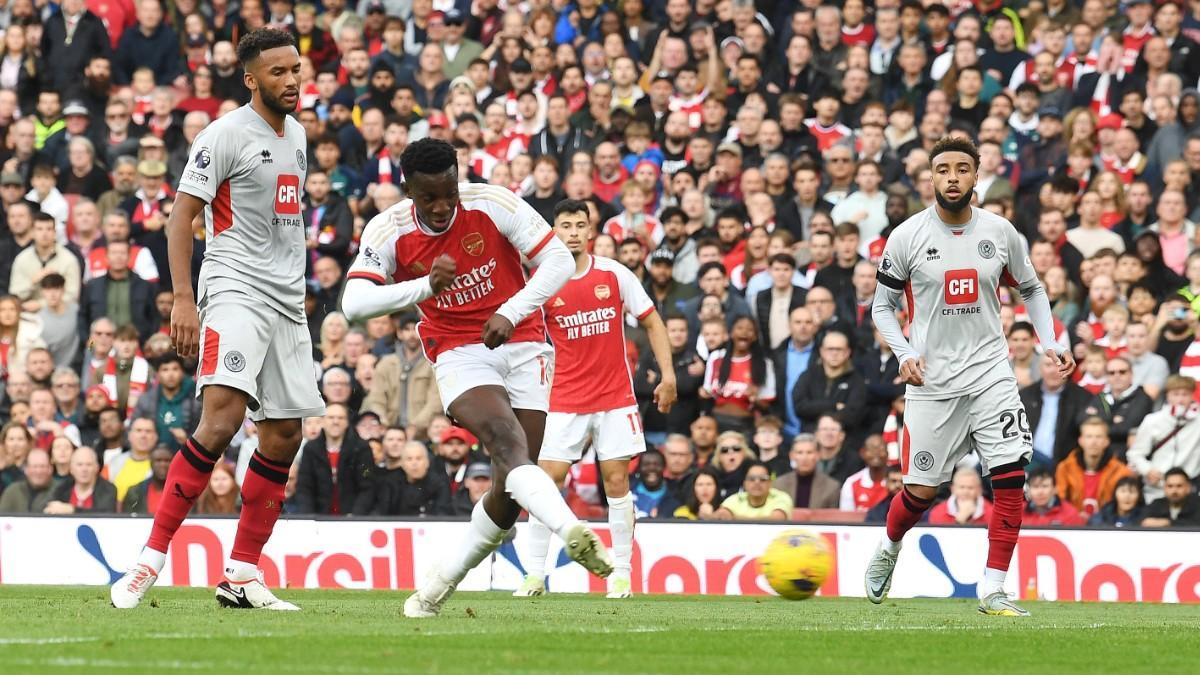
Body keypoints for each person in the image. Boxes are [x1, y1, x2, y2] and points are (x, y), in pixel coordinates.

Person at [340, 137, 612, 619]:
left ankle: (436, 587)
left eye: (451, 193)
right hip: (458, 352)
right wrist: (425, 286)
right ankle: (572, 530)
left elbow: (559, 260)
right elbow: (354, 304)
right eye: (430, 198)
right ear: (409, 191)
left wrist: (512, 309)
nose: (443, 206)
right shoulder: (389, 230)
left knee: (507, 496)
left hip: (525, 340)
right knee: (507, 443)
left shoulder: (493, 202)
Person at [111, 30, 326, 612]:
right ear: (251, 78)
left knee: (285, 433)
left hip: (286, 298)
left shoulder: (300, 135)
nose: (291, 81)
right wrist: (184, 297)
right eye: (277, 72)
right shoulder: (224, 133)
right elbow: (180, 218)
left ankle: (241, 575)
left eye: (296, 70)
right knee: (223, 416)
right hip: (233, 285)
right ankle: (148, 561)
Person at [866, 137, 1075, 617]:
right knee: (919, 493)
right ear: (932, 178)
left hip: (991, 374)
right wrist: (903, 351)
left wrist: (1050, 342)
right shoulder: (906, 237)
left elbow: (1032, 288)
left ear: (976, 175)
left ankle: (993, 587)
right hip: (932, 382)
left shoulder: (1000, 233)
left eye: (963, 168)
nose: (953, 177)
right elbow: (881, 307)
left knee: (1010, 478)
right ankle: (889, 549)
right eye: (944, 169)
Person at [515, 199, 676, 600]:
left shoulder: (614, 273)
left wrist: (668, 375)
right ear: (553, 231)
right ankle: (535, 574)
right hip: (564, 399)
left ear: (591, 231)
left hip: (615, 399)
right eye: (565, 224)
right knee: (546, 482)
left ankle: (621, 573)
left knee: (616, 481)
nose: (572, 231)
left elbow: (652, 321)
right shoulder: (542, 281)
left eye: (579, 224)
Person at [293, 403, 375, 515]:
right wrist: (309, 518)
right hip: (319, 520)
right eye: (331, 417)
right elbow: (304, 488)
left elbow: (367, 487)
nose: (335, 422)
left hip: (353, 519)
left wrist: (356, 516)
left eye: (340, 418)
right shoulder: (311, 449)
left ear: (347, 422)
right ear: (322, 422)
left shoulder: (361, 448)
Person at [1056, 418, 1135, 518]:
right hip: (1072, 525)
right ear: (1081, 441)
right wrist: (1075, 516)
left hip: (1107, 526)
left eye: (1098, 437)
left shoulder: (1122, 472)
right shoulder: (1065, 468)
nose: (1094, 442)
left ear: (1106, 441)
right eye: (1089, 437)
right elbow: (1060, 502)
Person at [373, 440, 453, 516]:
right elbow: (381, 512)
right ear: (402, 464)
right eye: (409, 459)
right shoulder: (391, 483)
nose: (414, 463)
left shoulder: (440, 484)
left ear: (427, 462)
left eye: (419, 458)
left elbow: (443, 514)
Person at [773, 433, 841, 509]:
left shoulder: (831, 487)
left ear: (818, 456)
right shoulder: (779, 484)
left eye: (809, 452)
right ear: (792, 456)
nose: (804, 458)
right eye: (800, 452)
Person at [45, 446, 117, 513]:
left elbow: (105, 515)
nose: (84, 469)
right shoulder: (61, 489)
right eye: (79, 465)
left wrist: (72, 510)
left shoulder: (108, 489)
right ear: (71, 469)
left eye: (89, 464)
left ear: (97, 468)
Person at [715, 460, 794, 520]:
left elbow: (775, 520)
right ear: (744, 483)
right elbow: (722, 515)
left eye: (763, 479)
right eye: (752, 479)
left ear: (770, 482)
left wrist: (735, 518)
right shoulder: (736, 499)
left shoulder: (781, 497)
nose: (757, 483)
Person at [839, 434, 890, 512]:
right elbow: (846, 518)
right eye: (871, 450)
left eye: (881, 449)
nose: (876, 453)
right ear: (862, 453)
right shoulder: (851, 483)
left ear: (887, 453)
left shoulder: (897, 481)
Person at [927, 467, 994, 525]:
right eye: (962, 487)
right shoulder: (938, 512)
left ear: (979, 490)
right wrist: (959, 521)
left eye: (970, 488)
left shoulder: (992, 513)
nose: (965, 492)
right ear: (953, 489)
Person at [0, 448, 54, 512]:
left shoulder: (61, 490)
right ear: (26, 470)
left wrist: (68, 509)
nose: (38, 471)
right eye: (34, 466)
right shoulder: (12, 491)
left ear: (50, 469)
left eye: (42, 466)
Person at [123, 446, 173, 515]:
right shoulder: (134, 492)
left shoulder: (184, 493)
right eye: (158, 460)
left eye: (167, 461)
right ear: (151, 463)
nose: (163, 464)